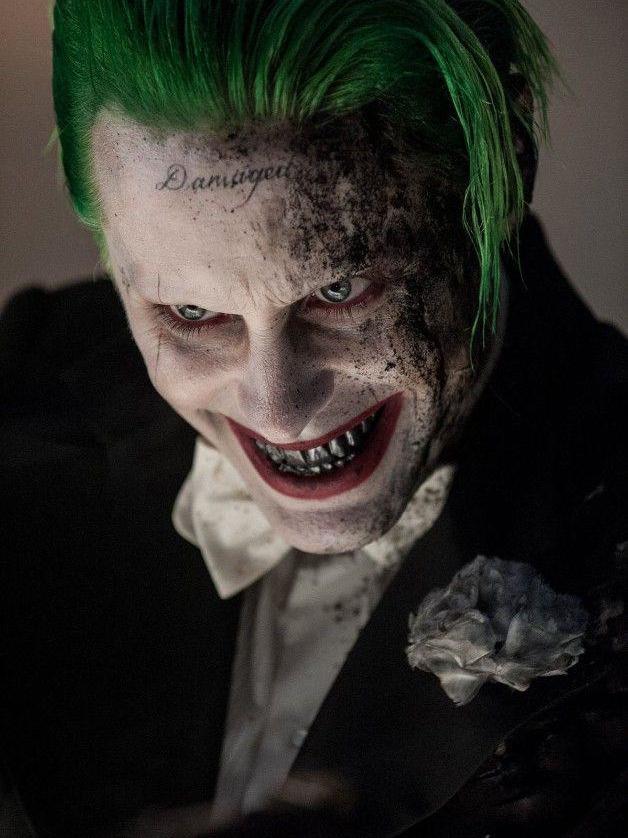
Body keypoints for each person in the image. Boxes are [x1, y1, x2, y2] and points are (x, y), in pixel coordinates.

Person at [0, 1, 625, 836]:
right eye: (191, 312)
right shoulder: (26, 384)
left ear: (505, 162)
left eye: (339, 289)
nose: (277, 408)